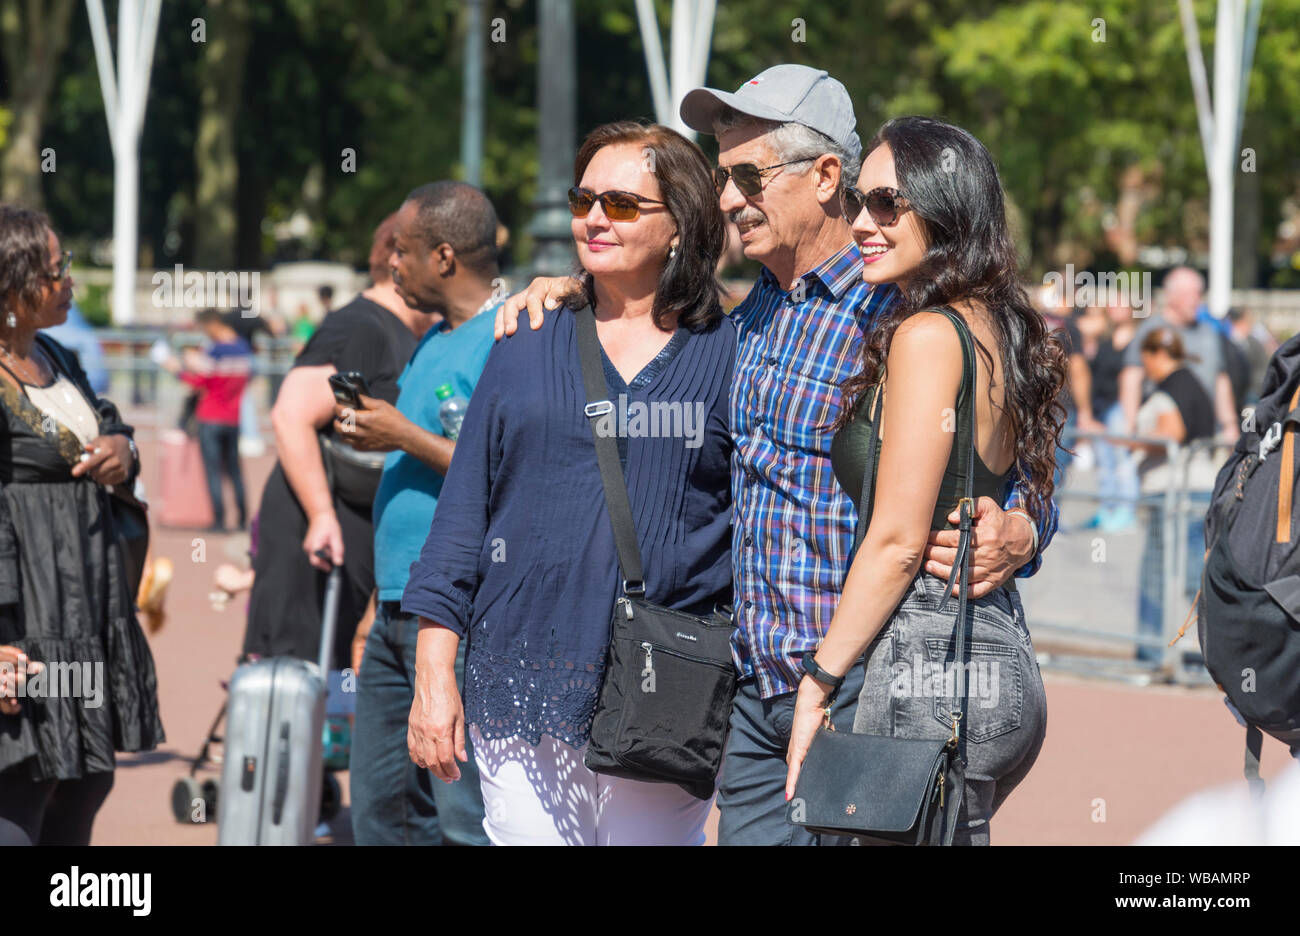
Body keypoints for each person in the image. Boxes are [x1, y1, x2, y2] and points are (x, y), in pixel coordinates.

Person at [497, 65, 1059, 845]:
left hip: (868, 690)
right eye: (724, 178)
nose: (727, 200)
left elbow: (1019, 462)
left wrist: (1024, 529)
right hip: (755, 697)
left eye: (748, 177)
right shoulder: (744, 315)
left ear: (827, 175)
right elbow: (640, 316)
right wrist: (570, 287)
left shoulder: (905, 303)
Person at [403, 121, 734, 846]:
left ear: (680, 222)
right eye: (583, 199)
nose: (591, 218)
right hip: (517, 681)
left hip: (663, 693)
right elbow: (463, 515)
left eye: (620, 204)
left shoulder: (734, 351)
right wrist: (434, 672)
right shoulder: (524, 337)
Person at [782, 116, 1066, 845]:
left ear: (944, 210)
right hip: (996, 652)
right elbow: (1020, 486)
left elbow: (899, 542)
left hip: (926, 660)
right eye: (859, 201)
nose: (862, 223)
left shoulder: (929, 335)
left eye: (888, 203)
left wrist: (818, 681)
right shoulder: (998, 326)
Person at [342, 182, 500, 846]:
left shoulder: (514, 333)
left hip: (459, 613)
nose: (390, 266)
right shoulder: (435, 337)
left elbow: (502, 471)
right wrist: (378, 602)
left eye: (401, 252)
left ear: (442, 256)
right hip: (396, 608)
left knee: (463, 815)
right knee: (382, 809)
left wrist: (400, 434)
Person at [0, 205, 164, 845]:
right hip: (26, 620)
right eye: (57, 268)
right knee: (22, 783)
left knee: (86, 778)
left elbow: (105, 421)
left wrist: (123, 450)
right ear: (16, 283)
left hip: (88, 608)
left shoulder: (57, 354)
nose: (70, 280)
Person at [241, 213, 431, 673]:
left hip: (346, 533)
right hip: (317, 534)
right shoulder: (362, 326)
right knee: (297, 684)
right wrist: (322, 515)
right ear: (399, 259)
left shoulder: (403, 329)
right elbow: (291, 414)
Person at [1127, 327, 1216, 664]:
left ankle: (1151, 652)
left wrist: (1133, 441)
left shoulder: (1169, 390)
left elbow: (1171, 433)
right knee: (1195, 575)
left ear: (1155, 354)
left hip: (1173, 491)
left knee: (1159, 573)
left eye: (1144, 358)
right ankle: (1198, 654)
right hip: (1196, 487)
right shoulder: (1193, 383)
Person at [1119, 267, 1239, 446]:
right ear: (1171, 295)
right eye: (1190, 294)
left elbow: (1220, 379)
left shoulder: (1208, 333)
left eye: (1199, 294)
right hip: (1163, 433)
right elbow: (1132, 376)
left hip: (1202, 434)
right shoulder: (1151, 330)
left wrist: (1230, 424)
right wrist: (1130, 425)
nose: (1196, 301)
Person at [161, 309, 252, 532]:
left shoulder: (216, 351)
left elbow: (197, 381)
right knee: (234, 471)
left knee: (213, 472)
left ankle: (219, 520)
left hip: (210, 416)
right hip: (233, 417)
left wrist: (175, 369)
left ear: (212, 324)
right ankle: (241, 519)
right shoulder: (243, 348)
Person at [1086, 299, 1140, 531]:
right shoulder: (1103, 339)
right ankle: (1107, 509)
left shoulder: (1137, 342)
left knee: (1123, 462)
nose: (1114, 309)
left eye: (1120, 304)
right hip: (1101, 408)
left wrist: (1131, 417)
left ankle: (1126, 511)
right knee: (1105, 463)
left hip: (1121, 409)